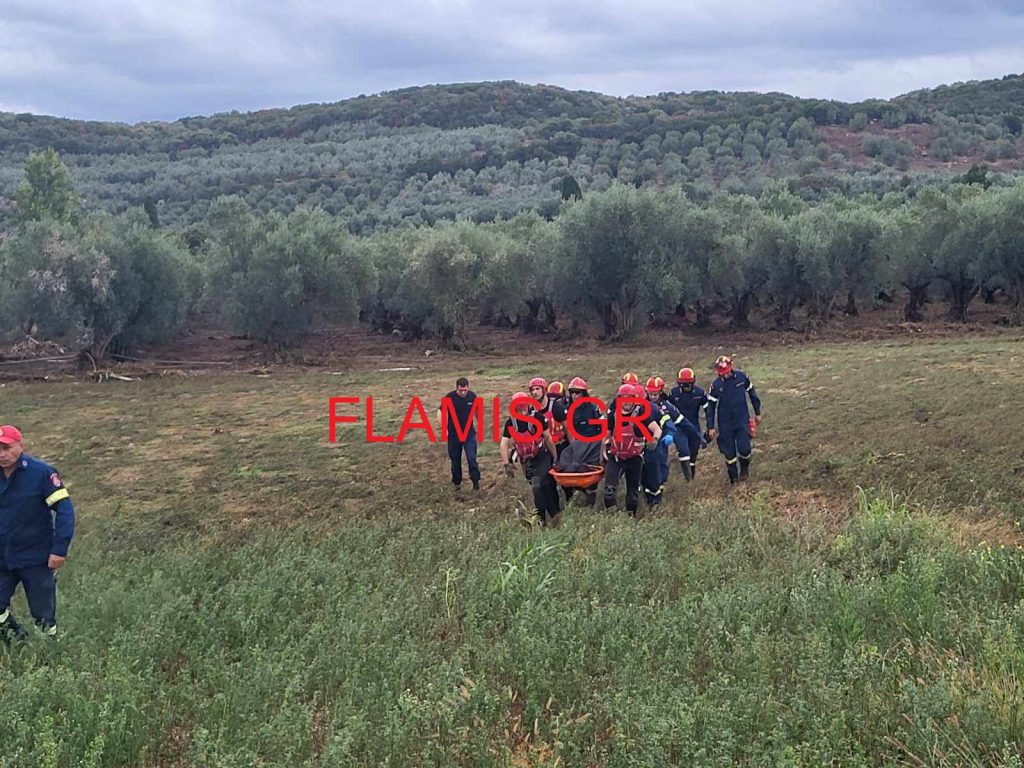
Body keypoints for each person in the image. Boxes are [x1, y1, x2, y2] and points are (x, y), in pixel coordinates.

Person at [0, 425, 75, 643]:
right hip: (3, 558)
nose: (2, 454)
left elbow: (64, 510)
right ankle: (19, 642)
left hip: (36, 557)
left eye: (7, 448)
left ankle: (49, 659)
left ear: (20, 446)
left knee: (43, 616)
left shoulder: (41, 473)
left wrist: (59, 550)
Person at [500, 393, 560, 525]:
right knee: (538, 488)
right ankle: (546, 519)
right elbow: (503, 444)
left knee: (542, 486)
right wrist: (506, 464)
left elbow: (548, 439)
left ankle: (551, 516)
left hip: (542, 456)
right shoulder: (511, 422)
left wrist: (555, 457)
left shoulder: (538, 417)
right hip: (526, 460)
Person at [603, 384, 662, 517]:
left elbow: (657, 429)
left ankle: (630, 520)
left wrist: (655, 440)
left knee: (632, 497)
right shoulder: (613, 416)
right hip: (616, 457)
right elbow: (606, 436)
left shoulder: (641, 414)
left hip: (634, 459)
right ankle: (612, 519)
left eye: (629, 398)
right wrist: (603, 454)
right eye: (624, 398)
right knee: (608, 493)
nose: (627, 401)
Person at [705, 356, 762, 484]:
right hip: (725, 423)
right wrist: (711, 427)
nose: (725, 376)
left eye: (726, 373)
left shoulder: (742, 377)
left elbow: (752, 394)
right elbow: (711, 407)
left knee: (745, 448)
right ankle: (733, 479)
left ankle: (744, 469)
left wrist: (757, 412)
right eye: (722, 374)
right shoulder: (716, 385)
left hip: (741, 419)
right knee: (729, 453)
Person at [554, 376, 604, 507]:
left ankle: (590, 499)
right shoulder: (566, 408)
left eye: (578, 392)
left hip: (592, 445)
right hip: (574, 445)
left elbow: (603, 429)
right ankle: (570, 497)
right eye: (572, 392)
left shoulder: (593, 409)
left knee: (590, 474)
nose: (575, 395)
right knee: (565, 468)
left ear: (584, 393)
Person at [436, 377, 481, 494]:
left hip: (469, 434)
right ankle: (457, 485)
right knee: (455, 461)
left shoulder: (472, 396)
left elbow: (477, 411)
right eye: (461, 390)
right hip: (454, 435)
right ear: (457, 388)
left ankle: (476, 482)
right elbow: (440, 412)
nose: (463, 392)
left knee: (472, 458)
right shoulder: (449, 397)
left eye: (465, 390)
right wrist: (444, 428)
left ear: (468, 388)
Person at [667, 368, 708, 481]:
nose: (686, 387)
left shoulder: (700, 393)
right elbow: (667, 411)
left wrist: (710, 427)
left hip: (694, 425)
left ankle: (692, 479)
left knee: (693, 452)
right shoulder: (673, 393)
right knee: (684, 450)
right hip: (679, 427)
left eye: (689, 384)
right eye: (684, 384)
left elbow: (708, 410)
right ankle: (688, 480)